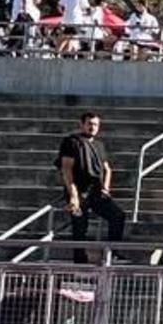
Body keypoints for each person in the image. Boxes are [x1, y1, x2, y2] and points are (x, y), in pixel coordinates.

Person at [56, 112, 127, 264]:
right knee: (80, 226)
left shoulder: (99, 145)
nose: (92, 127)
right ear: (82, 124)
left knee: (118, 216)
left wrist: (106, 189)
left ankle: (113, 253)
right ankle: (80, 261)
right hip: (78, 189)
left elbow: (107, 169)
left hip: (96, 191)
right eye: (89, 124)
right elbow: (66, 169)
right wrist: (73, 195)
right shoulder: (71, 142)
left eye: (95, 124)